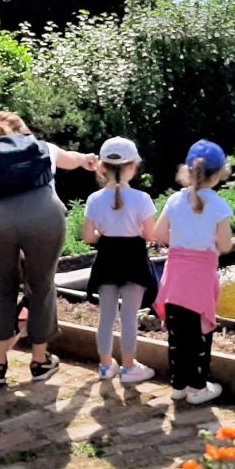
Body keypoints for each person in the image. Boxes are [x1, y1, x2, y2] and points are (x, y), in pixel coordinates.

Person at [0, 112, 98, 386]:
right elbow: (72, 159)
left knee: (3, 285)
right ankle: (40, 361)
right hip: (43, 216)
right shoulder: (43, 148)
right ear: (25, 131)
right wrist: (87, 159)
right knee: (42, 285)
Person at [152, 140, 233, 406]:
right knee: (199, 335)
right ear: (218, 175)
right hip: (200, 280)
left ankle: (178, 386)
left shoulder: (175, 200)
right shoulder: (219, 206)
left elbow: (159, 234)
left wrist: (181, 241)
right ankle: (198, 388)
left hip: (175, 278)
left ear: (187, 172)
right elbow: (225, 245)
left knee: (177, 335)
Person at [82, 137, 157, 386]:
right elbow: (150, 235)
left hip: (106, 259)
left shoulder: (94, 199)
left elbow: (88, 237)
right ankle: (129, 367)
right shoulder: (142, 198)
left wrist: (103, 233)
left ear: (102, 167)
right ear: (133, 166)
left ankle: (105, 366)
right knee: (129, 317)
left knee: (106, 316)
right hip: (134, 259)